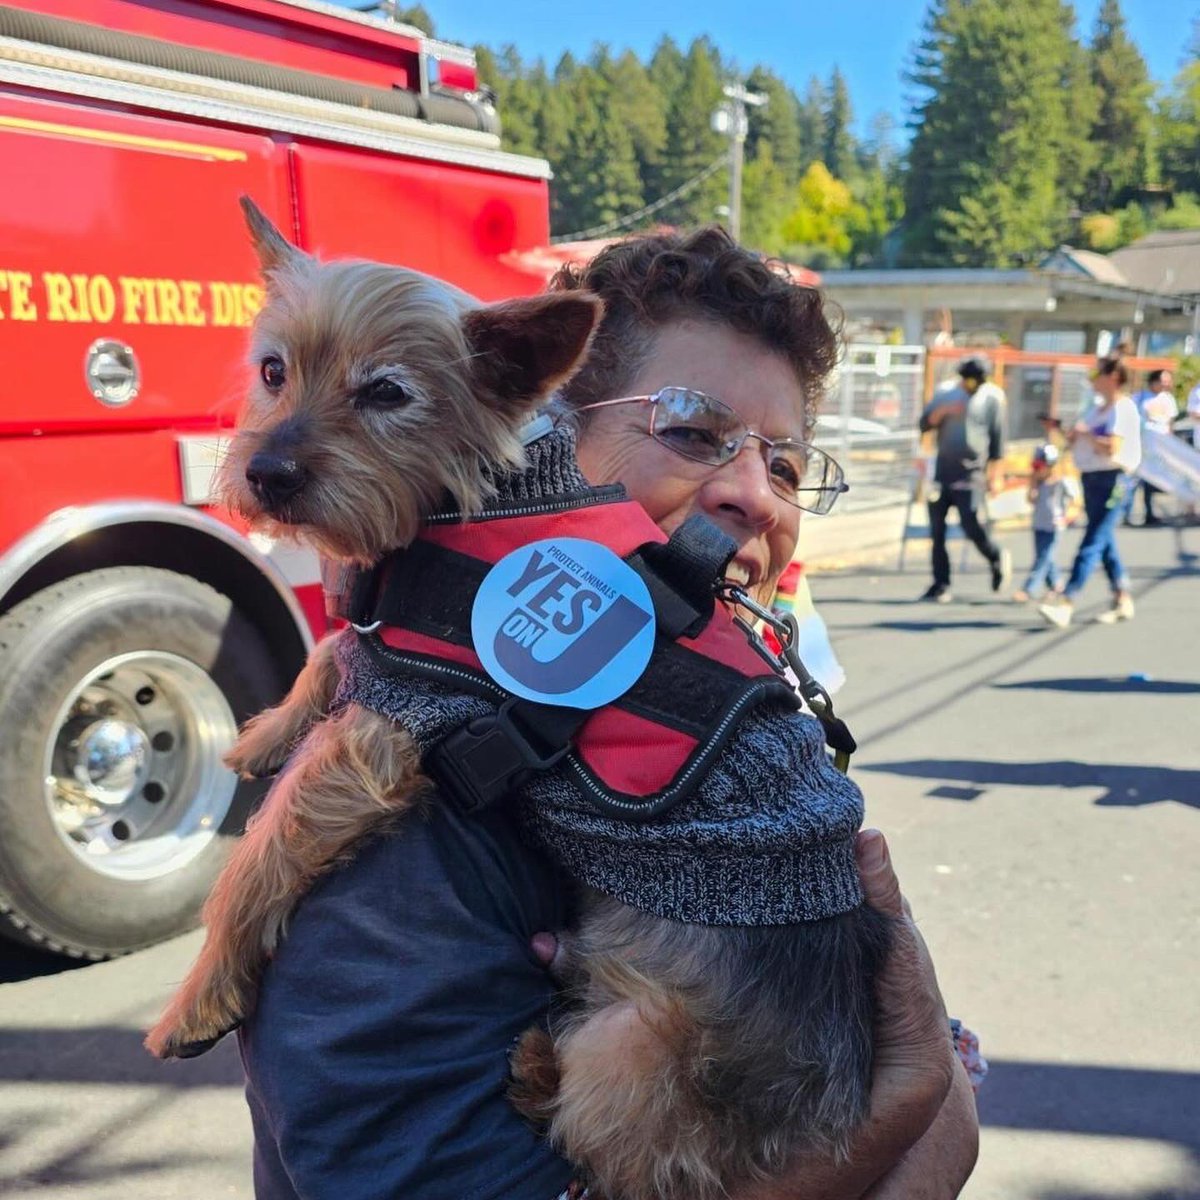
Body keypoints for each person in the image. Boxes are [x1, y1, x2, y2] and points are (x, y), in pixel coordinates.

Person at [237, 229, 979, 1200]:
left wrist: (930, 1098)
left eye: (788, 466)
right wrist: (914, 1109)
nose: (756, 495)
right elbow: (917, 1100)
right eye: (689, 428)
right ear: (530, 436)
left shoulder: (713, 750)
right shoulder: (393, 831)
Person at [1039, 355, 1141, 628]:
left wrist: (1086, 435)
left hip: (1113, 479)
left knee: (1093, 540)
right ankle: (1122, 596)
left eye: (1100, 374)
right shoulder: (1096, 409)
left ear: (1114, 377)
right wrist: (1060, 430)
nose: (1094, 380)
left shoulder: (1123, 408)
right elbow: (1078, 441)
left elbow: (1112, 448)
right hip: (1091, 477)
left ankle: (1067, 600)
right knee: (1103, 539)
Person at [917, 357, 1011, 603]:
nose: (972, 386)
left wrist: (995, 475)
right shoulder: (946, 392)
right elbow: (924, 424)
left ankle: (995, 556)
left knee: (971, 524)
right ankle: (941, 583)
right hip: (943, 471)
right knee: (937, 530)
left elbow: (998, 439)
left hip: (972, 473)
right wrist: (945, 412)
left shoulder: (992, 397)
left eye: (977, 381)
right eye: (969, 380)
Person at [1012, 443, 1078, 603]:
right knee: (1046, 558)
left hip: (1053, 526)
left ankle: (1029, 589)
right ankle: (1056, 584)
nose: (1037, 470)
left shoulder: (1062, 482)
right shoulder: (1039, 483)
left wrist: (1067, 517)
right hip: (1039, 524)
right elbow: (1031, 500)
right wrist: (1033, 483)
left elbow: (1076, 502)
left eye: (1039, 466)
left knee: (1043, 558)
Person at [1125, 368, 1176, 526]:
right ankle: (1126, 513)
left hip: (1159, 448)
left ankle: (1149, 513)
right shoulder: (1140, 398)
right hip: (1141, 446)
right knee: (1134, 481)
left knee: (1151, 482)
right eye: (1163, 380)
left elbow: (1170, 423)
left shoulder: (1168, 399)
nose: (1166, 384)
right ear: (1154, 381)